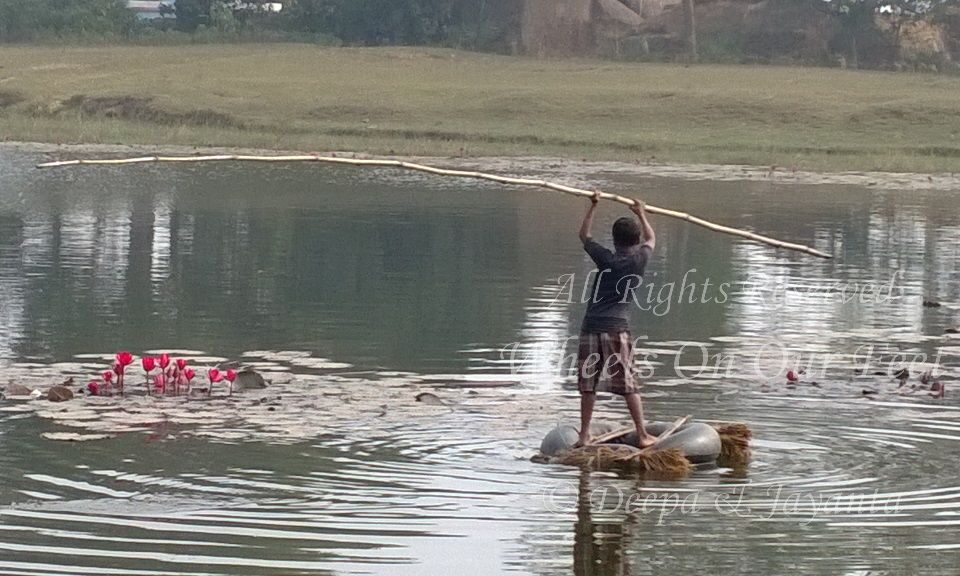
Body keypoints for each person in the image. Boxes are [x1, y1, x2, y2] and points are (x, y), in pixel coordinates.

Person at [575, 192, 656, 448]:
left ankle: (584, 435)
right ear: (635, 240)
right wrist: (641, 212)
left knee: (588, 384)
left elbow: (584, 237)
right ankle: (642, 434)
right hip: (616, 329)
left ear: (614, 239)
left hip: (590, 327)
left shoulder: (606, 259)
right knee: (628, 384)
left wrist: (593, 205)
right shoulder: (638, 259)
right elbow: (652, 238)